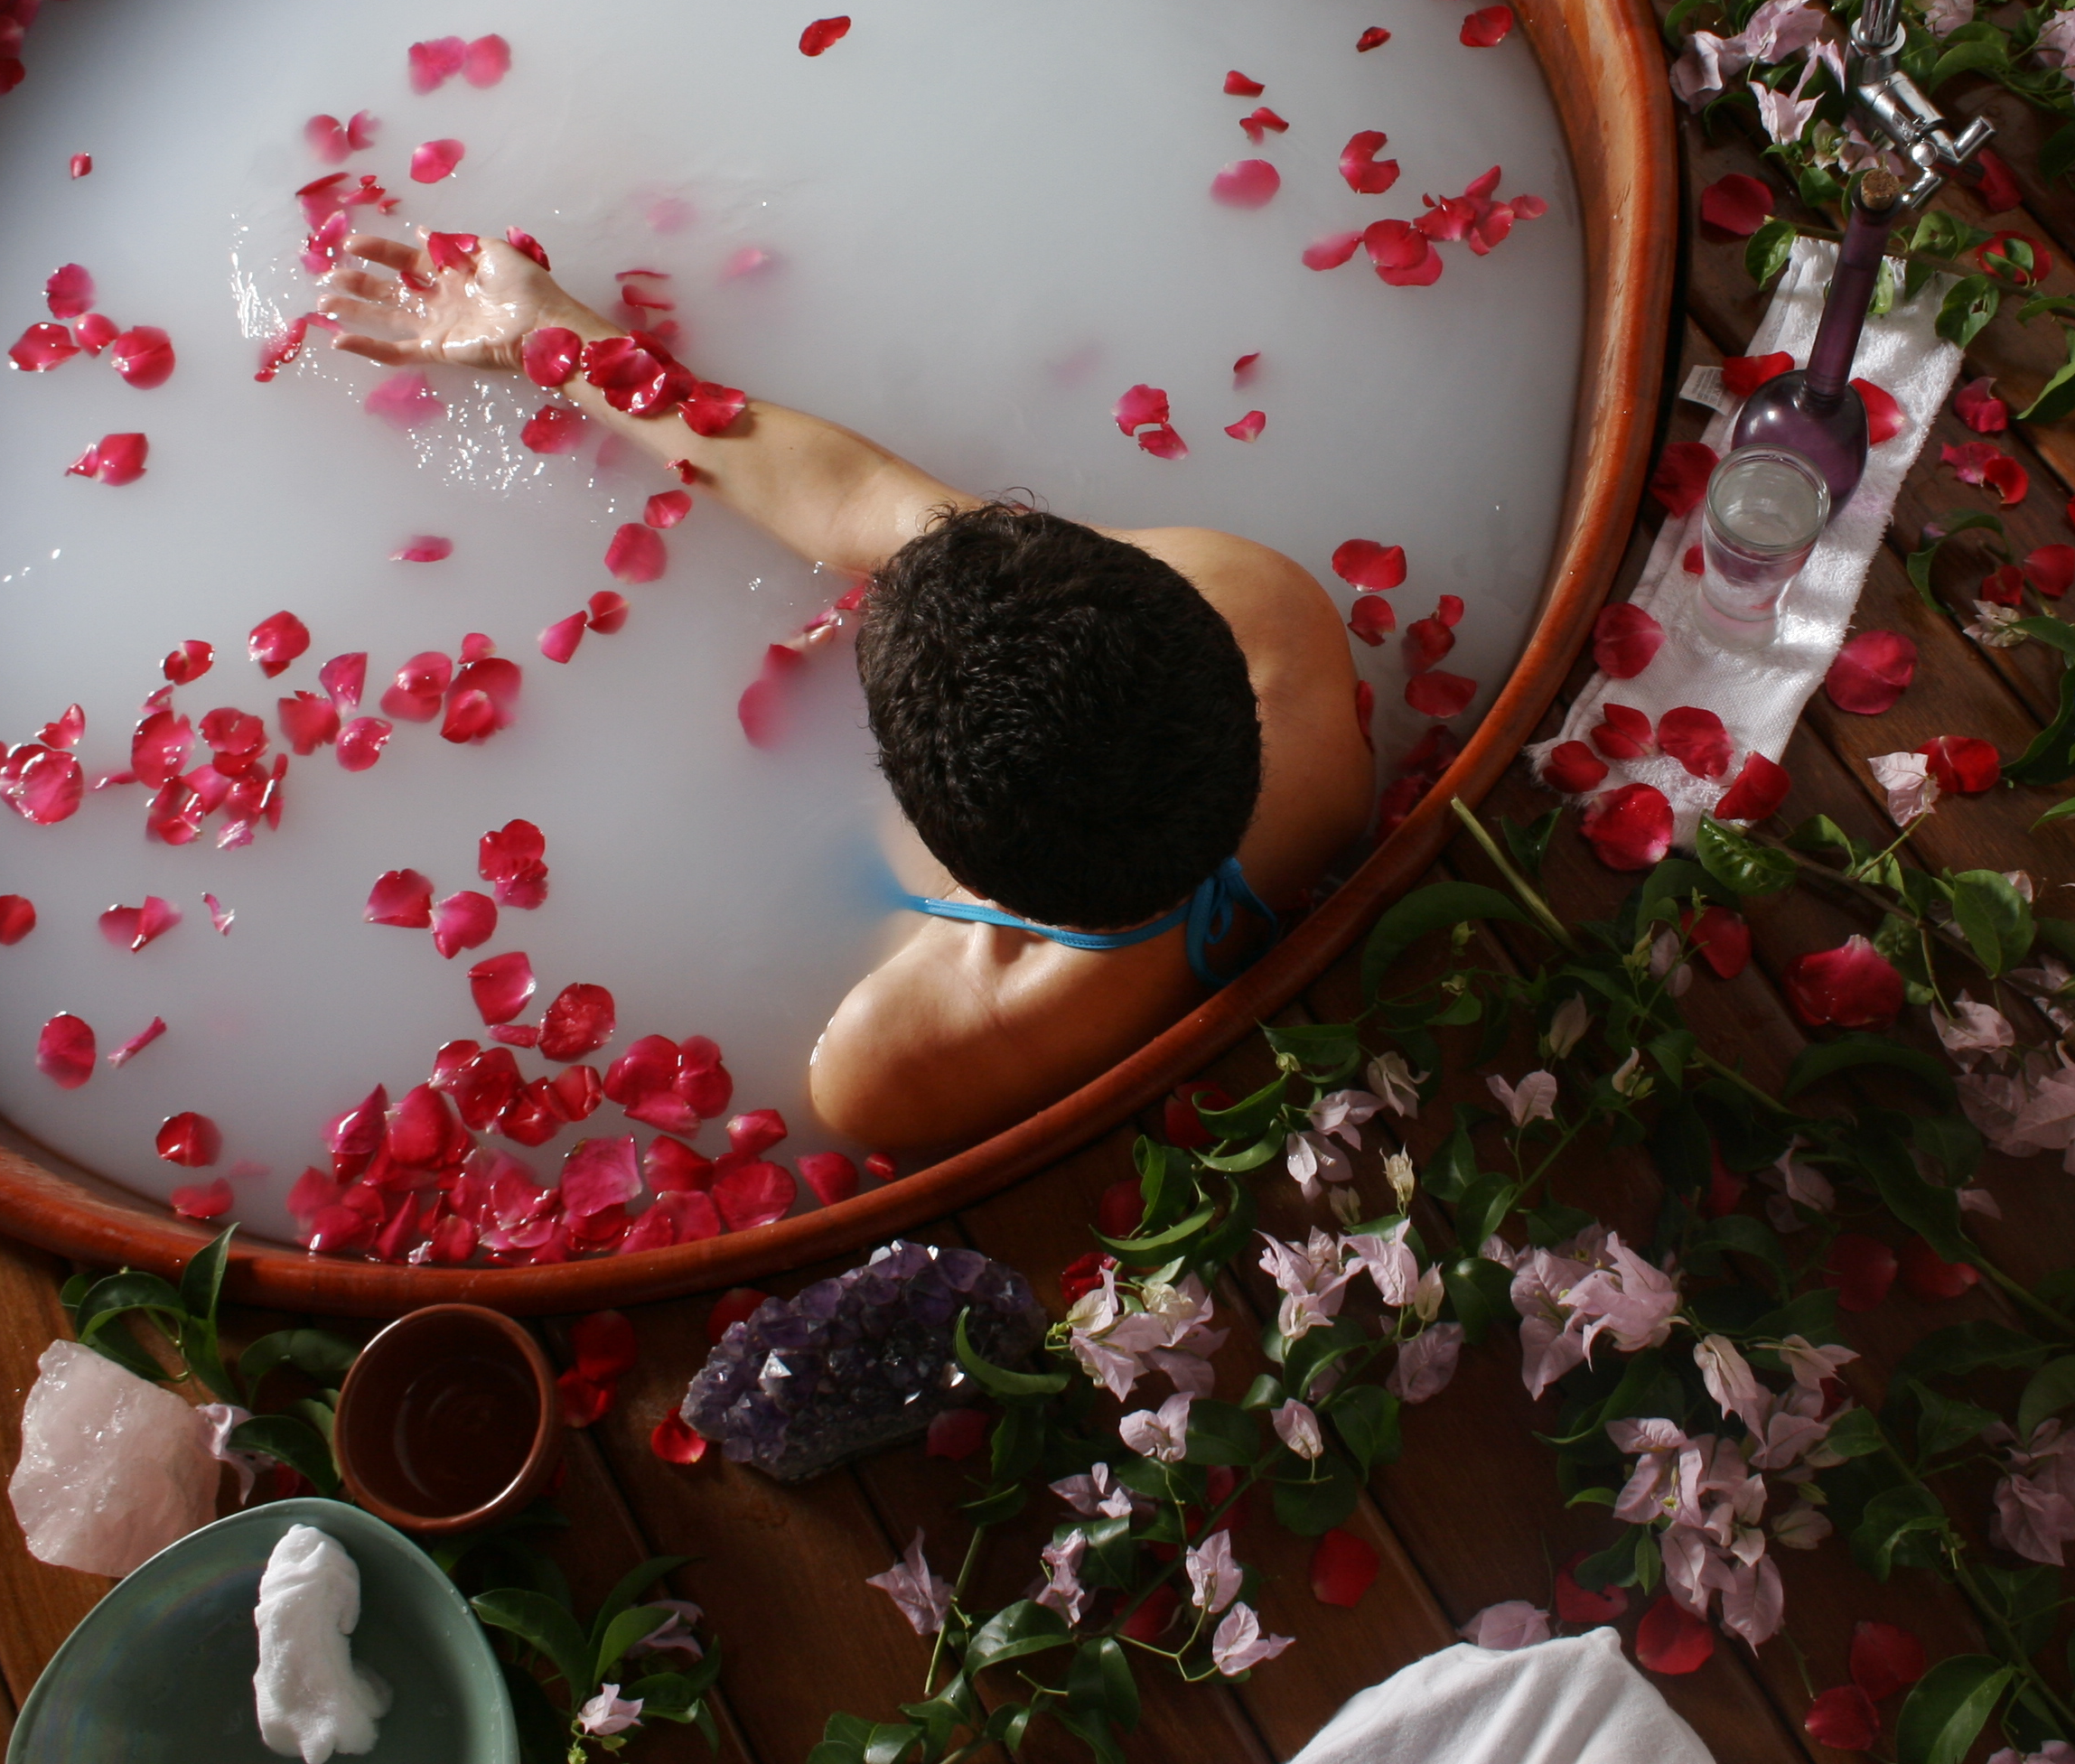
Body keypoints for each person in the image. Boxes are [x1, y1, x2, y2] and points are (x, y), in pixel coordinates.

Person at [321, 233, 1372, 1153]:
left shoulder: (909, 1049)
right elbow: (864, 497)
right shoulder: (1267, 614)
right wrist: (544, 330)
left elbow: (873, 505)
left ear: (935, 827)